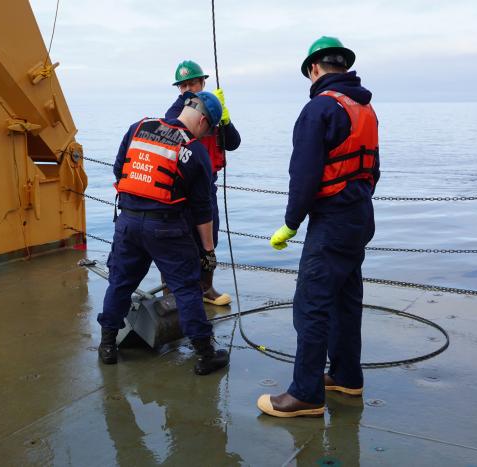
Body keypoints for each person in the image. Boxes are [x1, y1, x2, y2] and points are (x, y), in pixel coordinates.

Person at [257, 36, 380, 417]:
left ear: (314, 69)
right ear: (344, 66)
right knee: (346, 300)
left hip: (331, 222)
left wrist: (291, 223)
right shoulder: (365, 108)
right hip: (360, 216)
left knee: (311, 305)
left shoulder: (319, 109)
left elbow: (304, 174)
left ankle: (306, 394)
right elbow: (373, 168)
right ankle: (346, 376)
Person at [97, 91, 230, 376]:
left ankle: (107, 345)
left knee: (120, 282)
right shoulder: (194, 152)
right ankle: (206, 354)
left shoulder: (138, 128)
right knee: (186, 288)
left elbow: (120, 170)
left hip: (128, 223)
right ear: (204, 121)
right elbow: (202, 209)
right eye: (208, 130)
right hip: (167, 228)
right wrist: (207, 251)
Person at [165, 60, 241, 306]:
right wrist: (191, 102)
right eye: (183, 85)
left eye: (193, 83)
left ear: (203, 82)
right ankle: (172, 291)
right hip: (184, 186)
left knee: (210, 237)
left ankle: (205, 287)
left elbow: (233, 143)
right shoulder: (177, 111)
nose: (188, 89)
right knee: (179, 240)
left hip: (208, 185)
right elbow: (172, 122)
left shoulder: (213, 111)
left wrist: (225, 119)